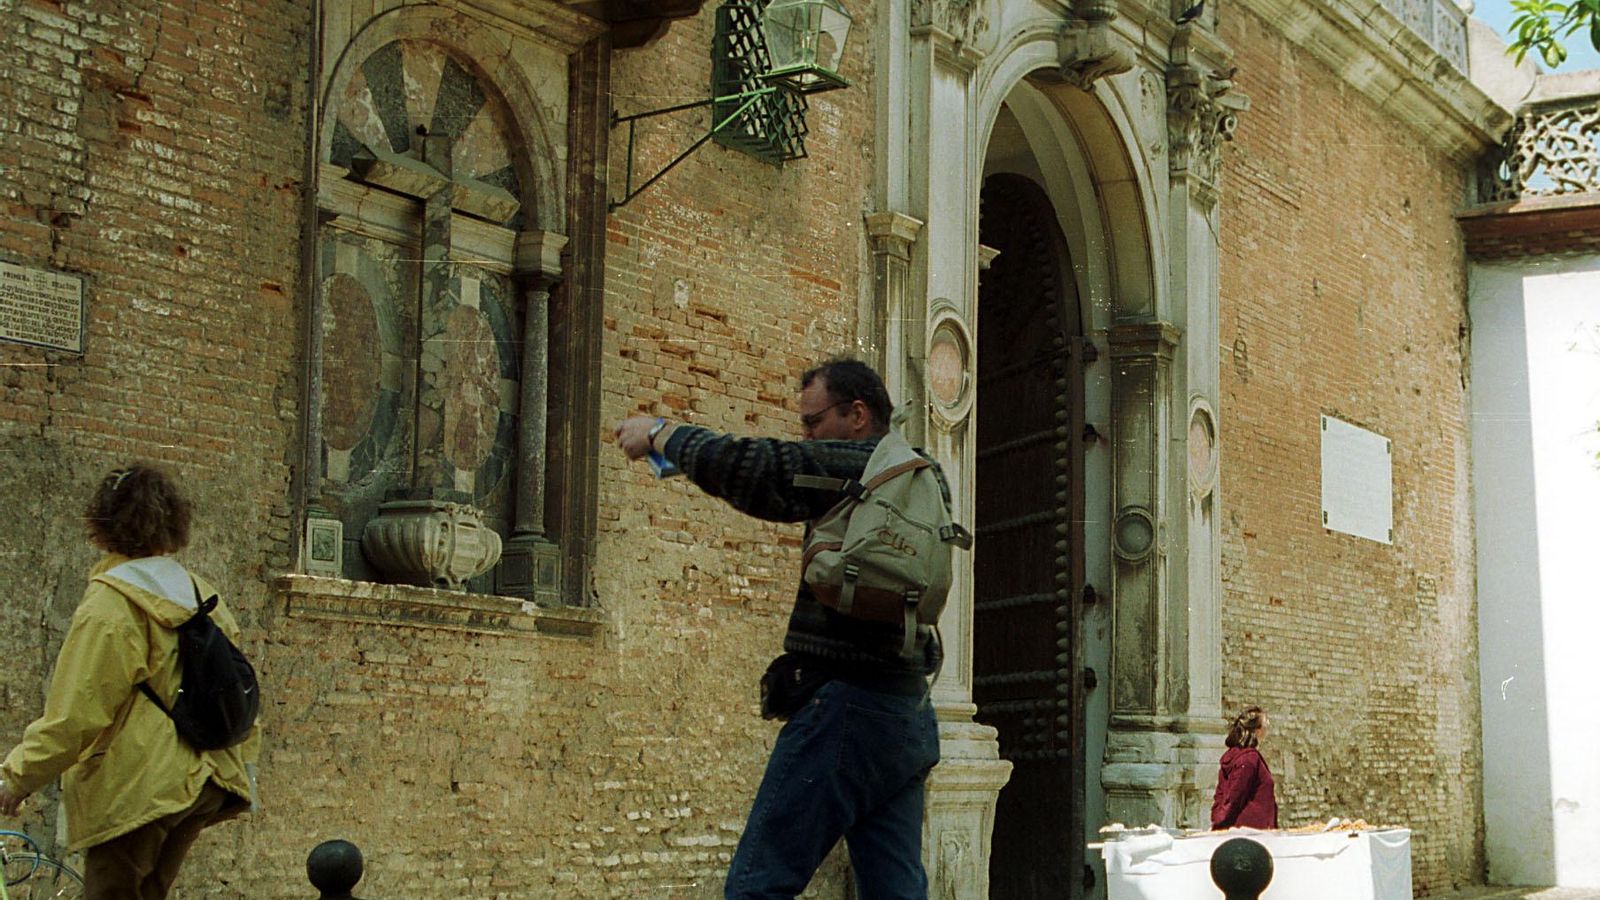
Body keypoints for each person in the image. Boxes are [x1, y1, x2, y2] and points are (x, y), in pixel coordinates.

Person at [615, 358, 943, 900]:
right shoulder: (922, 474)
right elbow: (780, 481)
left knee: (757, 886)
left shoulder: (857, 467)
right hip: (908, 714)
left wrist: (662, 435)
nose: (807, 435)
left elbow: (764, 468)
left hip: (845, 713)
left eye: (814, 422)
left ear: (857, 415)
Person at [0, 464, 260, 900]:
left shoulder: (110, 604)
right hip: (207, 780)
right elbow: (241, 689)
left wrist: (17, 778)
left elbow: (76, 713)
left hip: (139, 787)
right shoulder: (200, 595)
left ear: (100, 526)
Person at [1211, 705, 1278, 830]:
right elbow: (1234, 796)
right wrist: (1218, 823)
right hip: (1249, 831)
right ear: (1257, 731)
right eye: (1265, 723)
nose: (1268, 725)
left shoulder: (1236, 756)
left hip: (1246, 830)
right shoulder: (1248, 759)